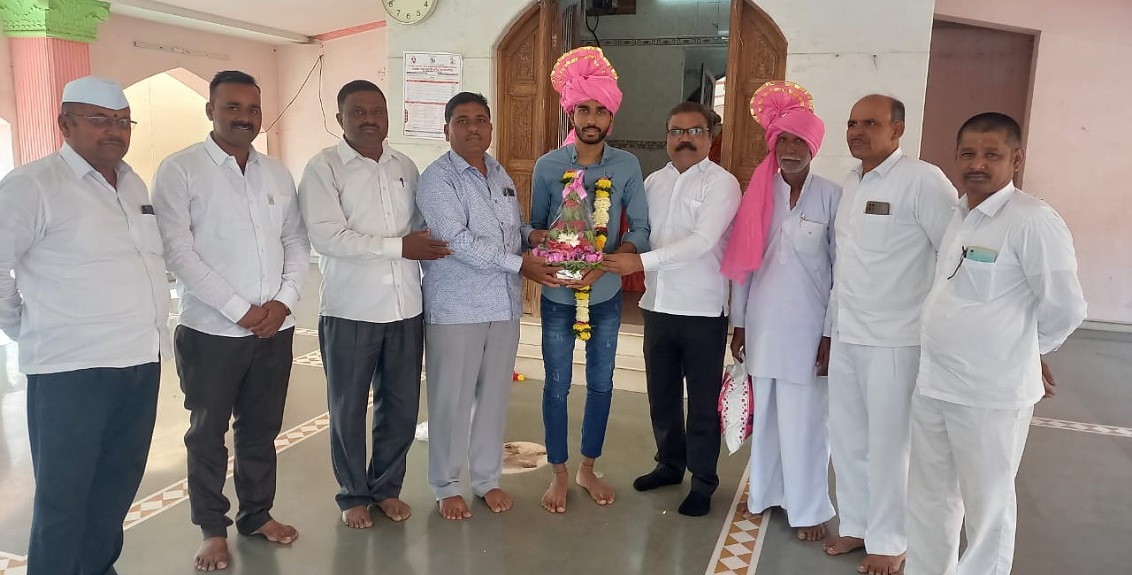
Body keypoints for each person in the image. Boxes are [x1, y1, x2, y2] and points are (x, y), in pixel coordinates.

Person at [0, 76, 169, 575]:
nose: (114, 131)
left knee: (115, 489)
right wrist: (26, 327)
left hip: (140, 361)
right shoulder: (34, 185)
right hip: (71, 372)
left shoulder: (133, 183)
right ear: (65, 124)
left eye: (123, 121)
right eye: (99, 120)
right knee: (64, 499)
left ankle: (97, 568)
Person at [905, 113, 1086, 575]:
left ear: (1016, 160)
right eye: (968, 154)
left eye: (992, 154)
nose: (977, 164)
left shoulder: (1032, 221)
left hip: (991, 393)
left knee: (988, 510)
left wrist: (1029, 350)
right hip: (935, 383)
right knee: (929, 496)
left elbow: (1066, 307)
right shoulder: (959, 215)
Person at [152, 70, 310, 571]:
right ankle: (212, 529)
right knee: (207, 433)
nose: (244, 117)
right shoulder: (180, 170)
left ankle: (257, 514)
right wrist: (241, 309)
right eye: (233, 107)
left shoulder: (276, 173)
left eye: (253, 109)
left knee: (261, 430)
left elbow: (295, 241)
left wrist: (283, 303)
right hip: (211, 332)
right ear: (211, 111)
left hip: (274, 329)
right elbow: (179, 252)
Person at [298, 80, 450, 529]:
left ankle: (386, 488)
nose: (369, 119)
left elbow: (421, 227)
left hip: (405, 307)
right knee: (348, 407)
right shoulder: (323, 168)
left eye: (377, 111)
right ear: (340, 118)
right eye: (358, 111)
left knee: (400, 406)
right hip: (351, 310)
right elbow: (328, 237)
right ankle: (352, 494)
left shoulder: (404, 166)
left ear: (388, 116)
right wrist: (399, 248)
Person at [821, 94, 959, 575]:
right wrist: (830, 331)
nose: (857, 132)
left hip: (897, 341)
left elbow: (952, 257)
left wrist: (940, 331)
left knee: (890, 445)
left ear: (897, 130)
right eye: (852, 123)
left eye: (870, 123)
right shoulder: (851, 182)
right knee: (848, 437)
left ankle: (891, 540)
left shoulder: (923, 181)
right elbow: (844, 267)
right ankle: (858, 524)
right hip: (849, 334)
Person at [416, 91, 562, 521]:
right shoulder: (438, 179)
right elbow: (455, 240)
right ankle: (446, 485)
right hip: (457, 308)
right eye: (462, 121)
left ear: (491, 127)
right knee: (452, 401)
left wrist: (532, 236)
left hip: (503, 304)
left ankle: (486, 479)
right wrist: (521, 264)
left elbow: (512, 226)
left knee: (494, 398)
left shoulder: (498, 173)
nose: (473, 128)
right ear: (447, 129)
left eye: (481, 119)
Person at [527, 46, 650, 514]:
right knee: (556, 384)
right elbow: (533, 226)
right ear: (571, 113)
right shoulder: (548, 166)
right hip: (558, 295)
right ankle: (558, 472)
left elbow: (640, 229)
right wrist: (552, 246)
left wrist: (606, 263)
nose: (592, 118)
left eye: (600, 110)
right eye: (584, 109)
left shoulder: (626, 166)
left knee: (601, 383)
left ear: (611, 117)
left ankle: (587, 467)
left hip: (605, 294)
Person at [603, 102, 739, 516]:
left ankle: (703, 481)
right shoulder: (654, 182)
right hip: (657, 307)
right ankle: (669, 464)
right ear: (666, 137)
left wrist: (639, 263)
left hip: (701, 312)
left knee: (702, 404)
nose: (685, 139)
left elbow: (702, 242)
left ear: (710, 137)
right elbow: (641, 232)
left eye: (695, 131)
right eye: (677, 131)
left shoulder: (722, 184)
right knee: (661, 397)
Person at [722, 81, 840, 539]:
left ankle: (808, 509)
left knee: (807, 421)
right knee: (768, 415)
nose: (789, 149)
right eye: (782, 140)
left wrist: (830, 332)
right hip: (763, 325)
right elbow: (744, 267)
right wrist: (739, 324)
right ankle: (765, 494)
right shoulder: (759, 194)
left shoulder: (832, 196)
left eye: (798, 141)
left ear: (813, 147)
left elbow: (841, 272)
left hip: (810, 330)